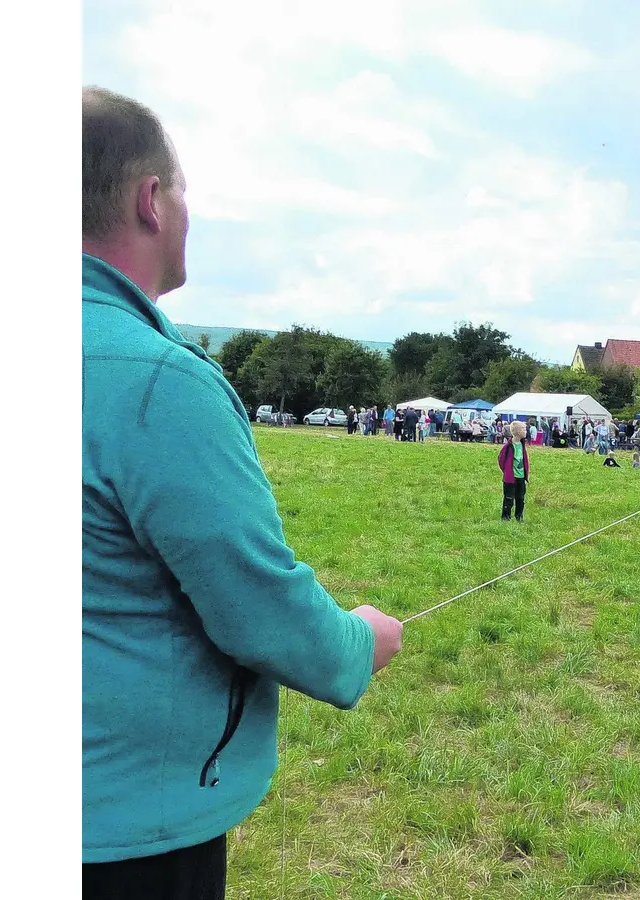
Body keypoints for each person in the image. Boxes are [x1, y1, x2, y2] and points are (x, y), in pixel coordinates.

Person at [82, 87, 405, 899]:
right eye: (183, 190)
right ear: (151, 201)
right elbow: (257, 609)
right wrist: (357, 644)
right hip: (120, 838)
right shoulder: (159, 383)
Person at [499, 420, 530, 521]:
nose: (526, 431)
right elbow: (501, 460)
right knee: (508, 498)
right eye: (523, 429)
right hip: (510, 479)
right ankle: (506, 517)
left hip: (521, 477)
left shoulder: (522, 444)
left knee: (520, 498)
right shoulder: (508, 446)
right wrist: (507, 471)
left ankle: (519, 516)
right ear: (517, 432)